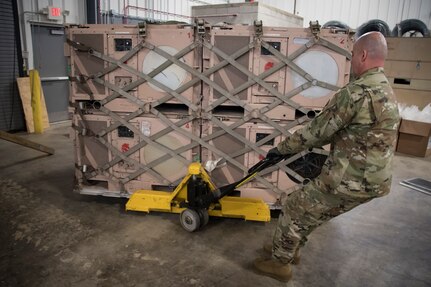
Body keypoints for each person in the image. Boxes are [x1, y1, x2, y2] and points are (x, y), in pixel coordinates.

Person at [253, 31, 400, 282]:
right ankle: (289, 247)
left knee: (294, 206)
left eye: (353, 54)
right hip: (376, 182)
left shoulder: (355, 93)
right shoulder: (386, 91)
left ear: (363, 55)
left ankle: (280, 264)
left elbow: (316, 132)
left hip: (349, 179)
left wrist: (281, 149)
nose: (352, 60)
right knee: (314, 210)